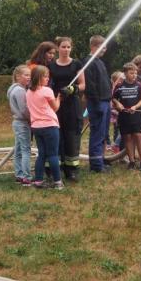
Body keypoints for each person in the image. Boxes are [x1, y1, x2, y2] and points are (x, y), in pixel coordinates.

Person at [47, 36, 85, 182]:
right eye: (63, 47)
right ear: (58, 48)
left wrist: (72, 88)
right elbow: (46, 82)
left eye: (68, 47)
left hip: (72, 105)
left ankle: (71, 170)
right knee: (56, 136)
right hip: (56, 104)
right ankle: (53, 168)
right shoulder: (51, 66)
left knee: (71, 136)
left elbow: (83, 84)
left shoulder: (76, 64)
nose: (66, 50)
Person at [26, 65, 64, 189]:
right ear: (39, 77)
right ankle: (58, 182)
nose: (48, 79)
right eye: (46, 76)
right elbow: (56, 108)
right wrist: (58, 98)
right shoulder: (47, 90)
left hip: (36, 127)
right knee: (53, 155)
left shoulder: (28, 92)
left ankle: (38, 181)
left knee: (41, 154)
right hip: (49, 125)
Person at [81, 35, 113, 173]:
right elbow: (90, 86)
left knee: (103, 134)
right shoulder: (88, 62)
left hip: (105, 101)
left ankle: (100, 161)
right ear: (94, 46)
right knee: (97, 134)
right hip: (97, 104)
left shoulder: (99, 61)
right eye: (103, 46)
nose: (105, 49)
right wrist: (97, 102)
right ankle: (96, 166)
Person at [112, 63, 141, 170]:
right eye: (132, 73)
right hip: (124, 116)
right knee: (127, 137)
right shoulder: (119, 86)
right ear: (125, 73)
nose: (134, 75)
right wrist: (118, 104)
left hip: (136, 116)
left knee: (138, 136)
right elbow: (113, 98)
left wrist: (135, 107)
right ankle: (131, 161)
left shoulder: (139, 86)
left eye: (135, 73)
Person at [7, 65, 32, 186]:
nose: (29, 77)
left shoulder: (12, 88)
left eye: (30, 75)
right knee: (26, 149)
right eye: (26, 75)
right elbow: (24, 110)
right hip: (22, 123)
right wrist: (31, 120)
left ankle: (19, 174)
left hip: (16, 122)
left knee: (18, 150)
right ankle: (26, 177)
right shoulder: (21, 91)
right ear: (18, 76)